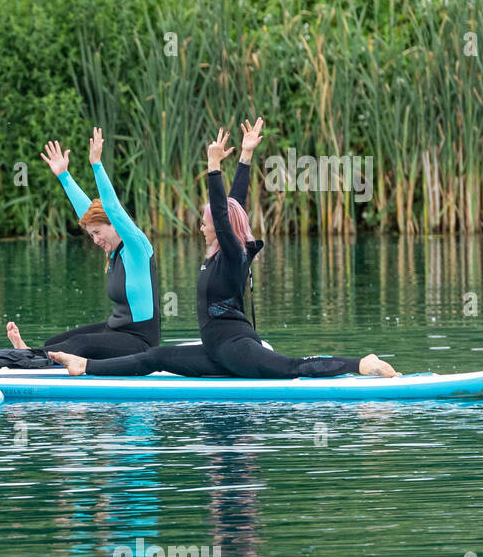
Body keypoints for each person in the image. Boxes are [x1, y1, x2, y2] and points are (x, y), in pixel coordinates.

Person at [48, 119, 400, 380]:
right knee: (155, 357)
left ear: (220, 228)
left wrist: (213, 167)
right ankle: (84, 366)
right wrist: (245, 157)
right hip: (216, 351)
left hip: (236, 349)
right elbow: (236, 203)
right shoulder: (221, 253)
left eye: (205, 224)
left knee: (295, 368)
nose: (201, 227)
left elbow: (222, 209)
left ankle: (361, 364)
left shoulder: (233, 253)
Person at [0, 129, 160, 362]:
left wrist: (96, 164)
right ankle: (32, 355)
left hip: (140, 342)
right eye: (91, 235)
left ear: (114, 225)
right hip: (117, 331)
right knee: (54, 342)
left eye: (97, 233)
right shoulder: (114, 251)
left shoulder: (136, 246)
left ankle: (26, 359)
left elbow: (112, 208)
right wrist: (64, 176)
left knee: (77, 345)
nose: (95, 240)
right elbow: (86, 211)